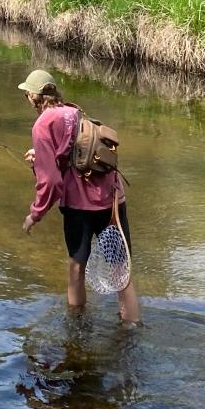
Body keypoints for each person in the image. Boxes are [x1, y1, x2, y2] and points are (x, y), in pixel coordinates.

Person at [18, 69, 140, 324]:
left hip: (79, 207)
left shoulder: (42, 125)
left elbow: (50, 182)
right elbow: (72, 151)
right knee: (121, 270)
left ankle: (75, 331)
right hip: (112, 200)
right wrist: (40, 157)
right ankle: (132, 327)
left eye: (27, 94)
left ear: (33, 96)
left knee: (76, 267)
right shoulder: (74, 111)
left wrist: (34, 215)